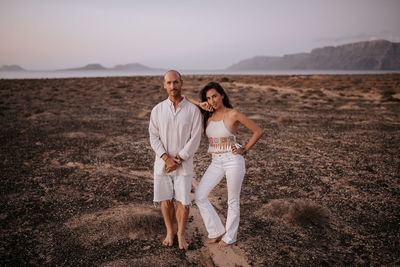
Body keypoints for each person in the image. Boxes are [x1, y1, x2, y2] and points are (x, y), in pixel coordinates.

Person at [189, 82, 263, 248]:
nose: (212, 100)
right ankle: (216, 231)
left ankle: (230, 236)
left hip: (233, 160)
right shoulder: (208, 115)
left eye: (214, 96)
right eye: (208, 98)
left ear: (222, 95)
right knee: (200, 195)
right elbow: (185, 98)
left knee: (232, 201)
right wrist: (200, 104)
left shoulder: (233, 113)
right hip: (216, 161)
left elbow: (258, 131)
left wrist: (244, 150)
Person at [149, 70, 202, 250]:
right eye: (169, 83)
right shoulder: (157, 110)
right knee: (165, 200)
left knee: (183, 203)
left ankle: (180, 234)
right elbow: (153, 137)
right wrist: (166, 158)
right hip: (162, 164)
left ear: (182, 83)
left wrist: (177, 160)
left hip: (183, 165)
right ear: (164, 85)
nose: (173, 86)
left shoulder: (193, 110)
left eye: (176, 82)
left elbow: (195, 138)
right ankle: (170, 231)